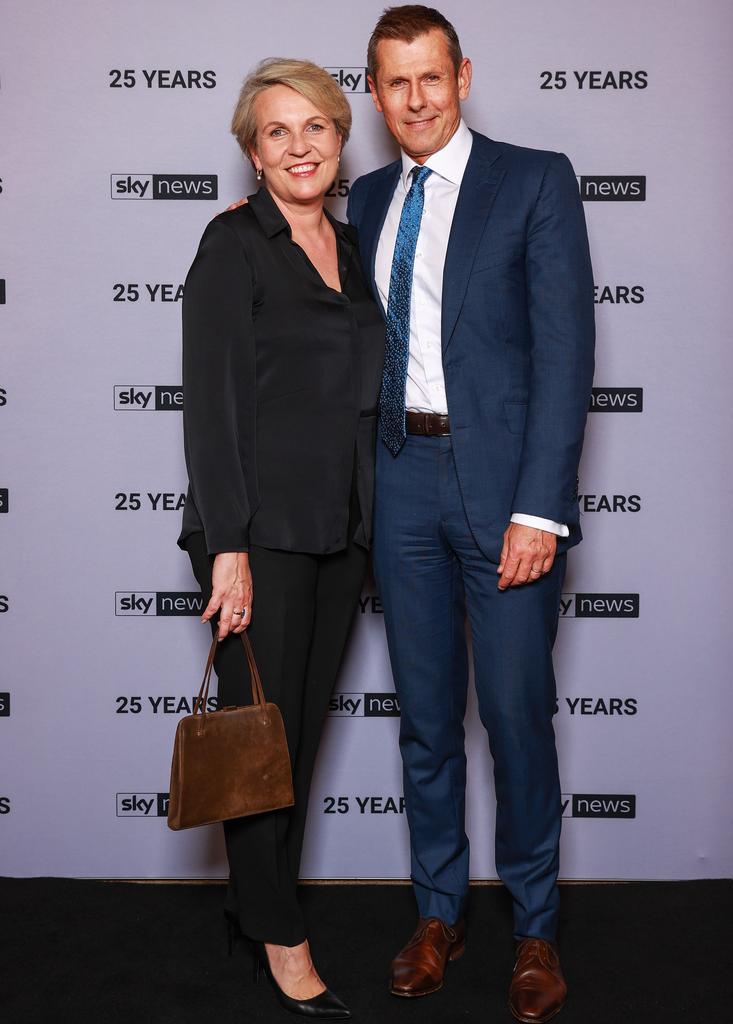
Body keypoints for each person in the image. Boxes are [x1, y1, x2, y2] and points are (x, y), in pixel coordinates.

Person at [346, 6, 595, 1021]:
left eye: (431, 78)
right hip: (397, 479)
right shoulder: (362, 198)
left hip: (503, 495)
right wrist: (250, 219)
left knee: (518, 719)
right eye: (395, 82)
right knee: (424, 722)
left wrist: (541, 507)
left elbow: (567, 353)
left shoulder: (534, 179)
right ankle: (438, 912)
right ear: (374, 90)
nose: (415, 99)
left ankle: (534, 927)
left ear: (463, 75)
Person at [179, 58, 384, 1020]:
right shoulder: (233, 247)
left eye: (317, 128)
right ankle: (281, 935)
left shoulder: (350, 244)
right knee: (263, 741)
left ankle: (253, 908)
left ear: (342, 138)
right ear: (252, 153)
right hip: (256, 535)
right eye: (276, 132)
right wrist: (228, 547)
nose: (299, 146)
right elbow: (212, 412)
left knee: (295, 740)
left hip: (341, 529)